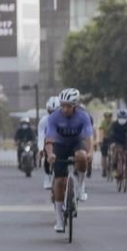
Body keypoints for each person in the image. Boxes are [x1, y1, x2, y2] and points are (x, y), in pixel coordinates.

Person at [45, 88, 93, 231]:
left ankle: (81, 185)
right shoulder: (54, 117)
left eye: (68, 106)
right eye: (62, 105)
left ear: (75, 106)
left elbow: (89, 137)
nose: (64, 109)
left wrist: (90, 152)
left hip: (76, 143)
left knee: (82, 156)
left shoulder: (83, 116)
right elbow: (49, 140)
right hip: (59, 145)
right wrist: (50, 154)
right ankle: (59, 219)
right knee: (59, 181)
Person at [37, 96, 59, 190]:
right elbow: (41, 136)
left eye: (56, 112)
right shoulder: (44, 121)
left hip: (60, 142)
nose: (53, 115)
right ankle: (47, 176)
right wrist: (41, 149)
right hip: (48, 142)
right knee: (47, 156)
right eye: (51, 112)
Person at [108, 108, 127, 179]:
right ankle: (114, 169)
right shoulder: (115, 124)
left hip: (126, 142)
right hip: (117, 142)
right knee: (116, 154)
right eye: (121, 117)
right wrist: (112, 142)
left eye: (124, 117)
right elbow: (112, 134)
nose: (122, 118)